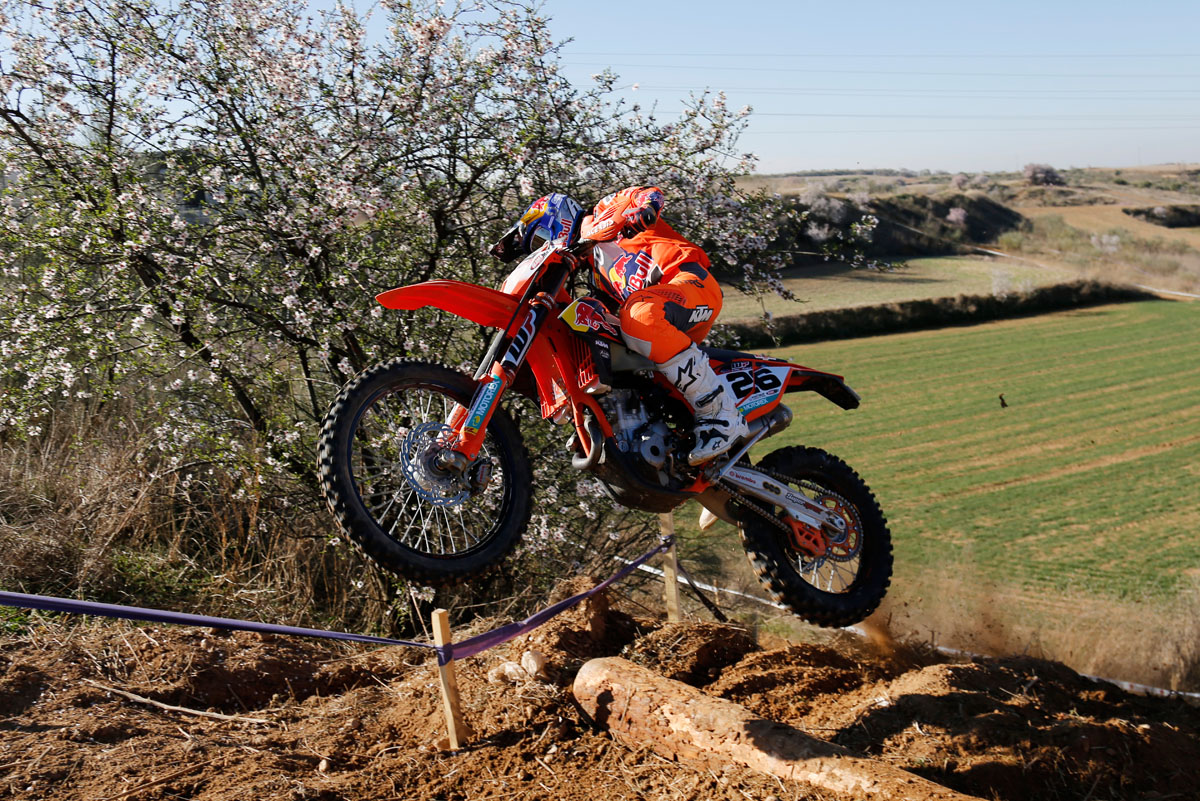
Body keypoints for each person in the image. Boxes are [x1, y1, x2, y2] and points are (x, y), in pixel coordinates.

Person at [496, 188, 748, 465]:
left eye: (542, 239)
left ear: (556, 217)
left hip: (688, 281)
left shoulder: (605, 211)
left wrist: (644, 209)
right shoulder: (597, 275)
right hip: (659, 322)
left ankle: (721, 413)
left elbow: (648, 194)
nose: (545, 248)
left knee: (638, 313)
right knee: (587, 327)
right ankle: (615, 420)